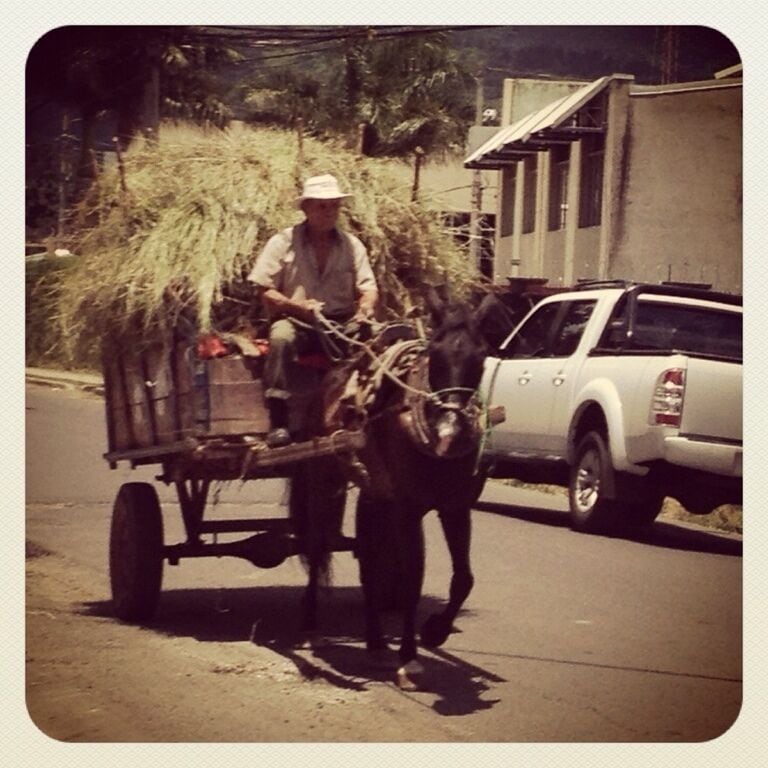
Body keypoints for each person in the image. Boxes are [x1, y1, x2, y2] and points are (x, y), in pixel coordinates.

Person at [248, 174, 379, 447]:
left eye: (334, 206)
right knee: (280, 338)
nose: (329, 212)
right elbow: (264, 288)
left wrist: (365, 308)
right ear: (306, 208)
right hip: (297, 321)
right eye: (322, 206)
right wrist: (296, 306)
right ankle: (279, 420)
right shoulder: (283, 242)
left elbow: (368, 288)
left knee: (375, 341)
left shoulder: (352, 245)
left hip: (340, 324)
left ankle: (366, 411)